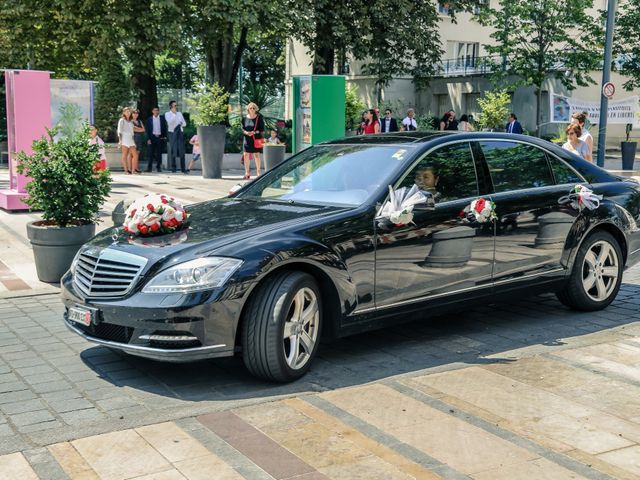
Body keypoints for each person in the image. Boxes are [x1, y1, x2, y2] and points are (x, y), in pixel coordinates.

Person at [242, 102, 264, 179]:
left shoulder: (259, 117)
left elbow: (261, 129)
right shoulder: (244, 118)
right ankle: (247, 172)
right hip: (247, 138)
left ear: (256, 109)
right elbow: (242, 128)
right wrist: (246, 132)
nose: (252, 109)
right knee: (246, 155)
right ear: (248, 109)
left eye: (253, 108)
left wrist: (254, 132)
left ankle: (258, 172)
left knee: (257, 155)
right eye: (250, 108)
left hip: (255, 139)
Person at [165, 100, 187, 173]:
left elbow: (184, 124)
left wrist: (180, 123)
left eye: (176, 105)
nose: (176, 107)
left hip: (180, 132)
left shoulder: (179, 113)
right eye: (174, 105)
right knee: (173, 149)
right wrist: (174, 114)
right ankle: (173, 168)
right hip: (172, 133)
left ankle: (183, 168)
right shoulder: (167, 114)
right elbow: (170, 122)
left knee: (181, 149)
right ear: (171, 106)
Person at [145, 106, 167, 172]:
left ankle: (158, 167)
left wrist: (164, 136)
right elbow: (147, 130)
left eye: (157, 110)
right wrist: (148, 139)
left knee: (159, 153)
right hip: (152, 138)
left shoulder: (162, 119)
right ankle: (149, 168)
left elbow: (164, 128)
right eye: (154, 110)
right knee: (150, 153)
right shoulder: (149, 119)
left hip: (160, 138)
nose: (156, 112)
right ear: (152, 111)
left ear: (159, 111)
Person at [117, 107, 135, 174]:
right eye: (126, 111)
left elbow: (132, 131)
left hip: (130, 138)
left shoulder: (131, 121)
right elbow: (119, 131)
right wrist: (120, 140)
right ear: (124, 112)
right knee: (125, 155)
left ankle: (131, 170)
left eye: (129, 112)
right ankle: (126, 170)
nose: (128, 113)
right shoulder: (121, 120)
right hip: (124, 138)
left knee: (133, 154)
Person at [131, 109, 145, 174]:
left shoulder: (139, 121)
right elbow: (132, 129)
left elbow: (143, 130)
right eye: (134, 113)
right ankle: (132, 169)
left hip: (139, 139)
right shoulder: (130, 121)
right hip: (133, 139)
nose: (135, 114)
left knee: (137, 154)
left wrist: (137, 128)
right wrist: (139, 129)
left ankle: (136, 168)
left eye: (137, 113)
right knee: (133, 155)